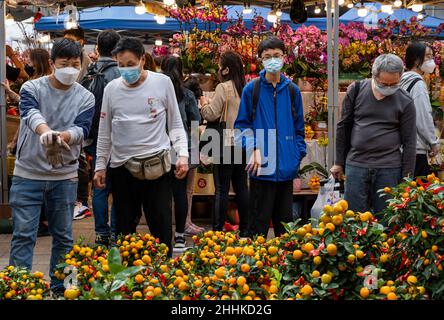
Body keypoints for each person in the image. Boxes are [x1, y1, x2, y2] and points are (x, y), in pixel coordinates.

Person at [9, 38, 95, 295]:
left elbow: (83, 128)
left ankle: (66, 288)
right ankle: (20, 288)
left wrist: (62, 137)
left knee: (65, 238)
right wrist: (45, 132)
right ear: (51, 63)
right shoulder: (31, 88)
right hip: (28, 174)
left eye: (75, 64)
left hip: (65, 176)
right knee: (23, 235)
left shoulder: (86, 96)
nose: (70, 68)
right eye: (64, 63)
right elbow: (29, 113)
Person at [93, 37, 189, 255]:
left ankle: (163, 276)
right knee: (125, 229)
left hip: (157, 167)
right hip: (122, 168)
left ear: (142, 60)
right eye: (120, 65)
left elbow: (175, 122)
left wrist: (182, 154)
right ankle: (128, 280)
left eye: (130, 64)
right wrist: (100, 166)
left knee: (162, 225)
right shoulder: (111, 89)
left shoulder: (162, 83)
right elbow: (105, 131)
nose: (125, 70)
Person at [234, 37, 306, 238]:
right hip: (261, 171)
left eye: (276, 56)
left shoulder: (293, 91)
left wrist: (296, 156)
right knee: (258, 231)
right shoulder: (252, 90)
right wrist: (254, 148)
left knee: (285, 233)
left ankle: (284, 268)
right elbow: (241, 127)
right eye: (267, 57)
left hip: (286, 172)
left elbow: (300, 129)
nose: (272, 60)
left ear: (284, 58)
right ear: (260, 60)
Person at [331, 54, 417, 216]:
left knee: (386, 219)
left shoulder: (405, 101)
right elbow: (343, 126)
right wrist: (339, 162)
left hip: (389, 168)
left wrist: (407, 179)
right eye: (384, 83)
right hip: (357, 165)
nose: (389, 87)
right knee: (354, 218)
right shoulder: (356, 90)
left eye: (394, 84)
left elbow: (410, 141)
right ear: (374, 75)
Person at [2, 48, 53, 238]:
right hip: (39, 138)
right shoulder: (42, 81)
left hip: (36, 138)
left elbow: (28, 113)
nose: (28, 65)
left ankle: (41, 222)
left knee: (36, 182)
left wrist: (16, 141)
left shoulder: (39, 83)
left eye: (30, 61)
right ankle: (42, 221)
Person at [200, 51, 250, 237]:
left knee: (222, 188)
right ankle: (245, 229)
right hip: (243, 141)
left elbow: (211, 114)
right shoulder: (246, 88)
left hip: (226, 142)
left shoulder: (224, 87)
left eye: (220, 65)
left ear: (226, 69)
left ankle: (217, 230)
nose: (218, 69)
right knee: (242, 187)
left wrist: (204, 103)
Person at [82, 29, 121, 246]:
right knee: (118, 188)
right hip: (118, 138)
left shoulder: (89, 70)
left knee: (99, 185)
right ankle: (115, 232)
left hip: (93, 137)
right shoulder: (119, 73)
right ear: (117, 49)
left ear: (98, 48)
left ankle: (101, 233)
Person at [161, 55, 201, 250]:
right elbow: (196, 120)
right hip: (180, 146)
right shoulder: (186, 94)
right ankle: (179, 236)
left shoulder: (157, 91)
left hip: (158, 146)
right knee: (180, 193)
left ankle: (163, 234)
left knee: (161, 193)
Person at [64, 27, 93, 219]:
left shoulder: (83, 60)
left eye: (71, 39)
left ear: (81, 41)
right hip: (72, 111)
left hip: (78, 110)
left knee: (79, 158)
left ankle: (81, 201)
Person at [400, 42, 440, 177]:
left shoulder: (402, 80)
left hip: (402, 147)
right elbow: (423, 116)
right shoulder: (417, 83)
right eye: (428, 56)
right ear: (417, 60)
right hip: (416, 150)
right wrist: (433, 142)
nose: (432, 61)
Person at [183, 75, 206, 236]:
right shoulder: (189, 97)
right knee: (188, 189)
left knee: (181, 189)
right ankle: (186, 223)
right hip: (190, 145)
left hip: (178, 145)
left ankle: (185, 222)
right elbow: (197, 120)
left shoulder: (177, 93)